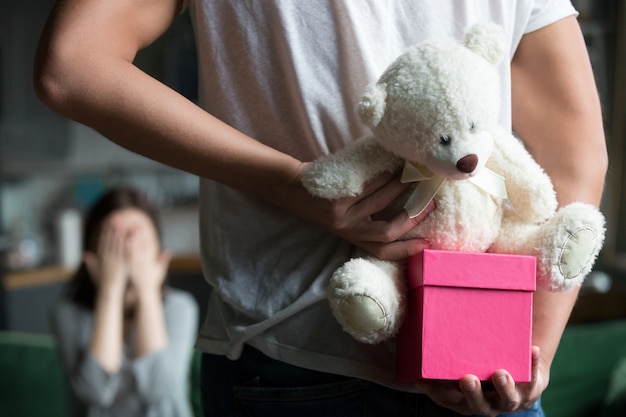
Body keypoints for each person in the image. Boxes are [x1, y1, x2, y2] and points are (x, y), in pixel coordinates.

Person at [35, 1, 607, 416]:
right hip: (335, 359)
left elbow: (72, 63)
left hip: (300, 348)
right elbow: (575, 152)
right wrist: (524, 351)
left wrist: (525, 351)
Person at [50, 187, 198, 417]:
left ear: (161, 255)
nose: (128, 253)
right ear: (92, 257)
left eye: (138, 241)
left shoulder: (180, 308)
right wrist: (110, 290)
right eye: (114, 243)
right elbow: (94, 391)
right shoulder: (68, 313)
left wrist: (147, 292)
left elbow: (160, 392)